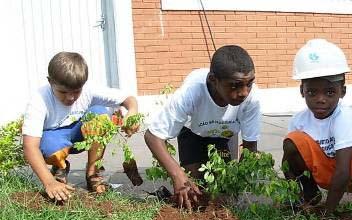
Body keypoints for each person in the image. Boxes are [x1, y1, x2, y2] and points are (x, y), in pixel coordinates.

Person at [144, 45, 261, 210]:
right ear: (213, 79)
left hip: (224, 134)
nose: (244, 92)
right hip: (193, 131)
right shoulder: (191, 93)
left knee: (222, 197)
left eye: (249, 83)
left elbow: (250, 147)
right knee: (194, 193)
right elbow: (153, 136)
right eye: (235, 85)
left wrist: (236, 182)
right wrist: (178, 175)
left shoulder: (252, 98)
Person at [282, 39, 352, 213]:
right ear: (302, 91)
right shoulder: (299, 120)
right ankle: (310, 194)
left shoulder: (344, 118)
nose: (321, 99)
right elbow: (287, 162)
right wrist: (292, 196)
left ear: (343, 91)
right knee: (292, 141)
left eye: (330, 92)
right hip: (322, 173)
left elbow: (342, 171)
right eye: (312, 92)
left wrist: (327, 215)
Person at [22, 52, 139, 201]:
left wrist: (132, 112)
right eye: (63, 92)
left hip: (81, 135)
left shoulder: (89, 89)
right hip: (56, 140)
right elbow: (30, 146)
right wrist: (48, 182)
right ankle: (60, 168)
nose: (70, 97)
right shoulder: (39, 100)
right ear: (50, 82)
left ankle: (92, 172)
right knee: (47, 146)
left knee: (100, 115)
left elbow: (128, 99)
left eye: (76, 92)